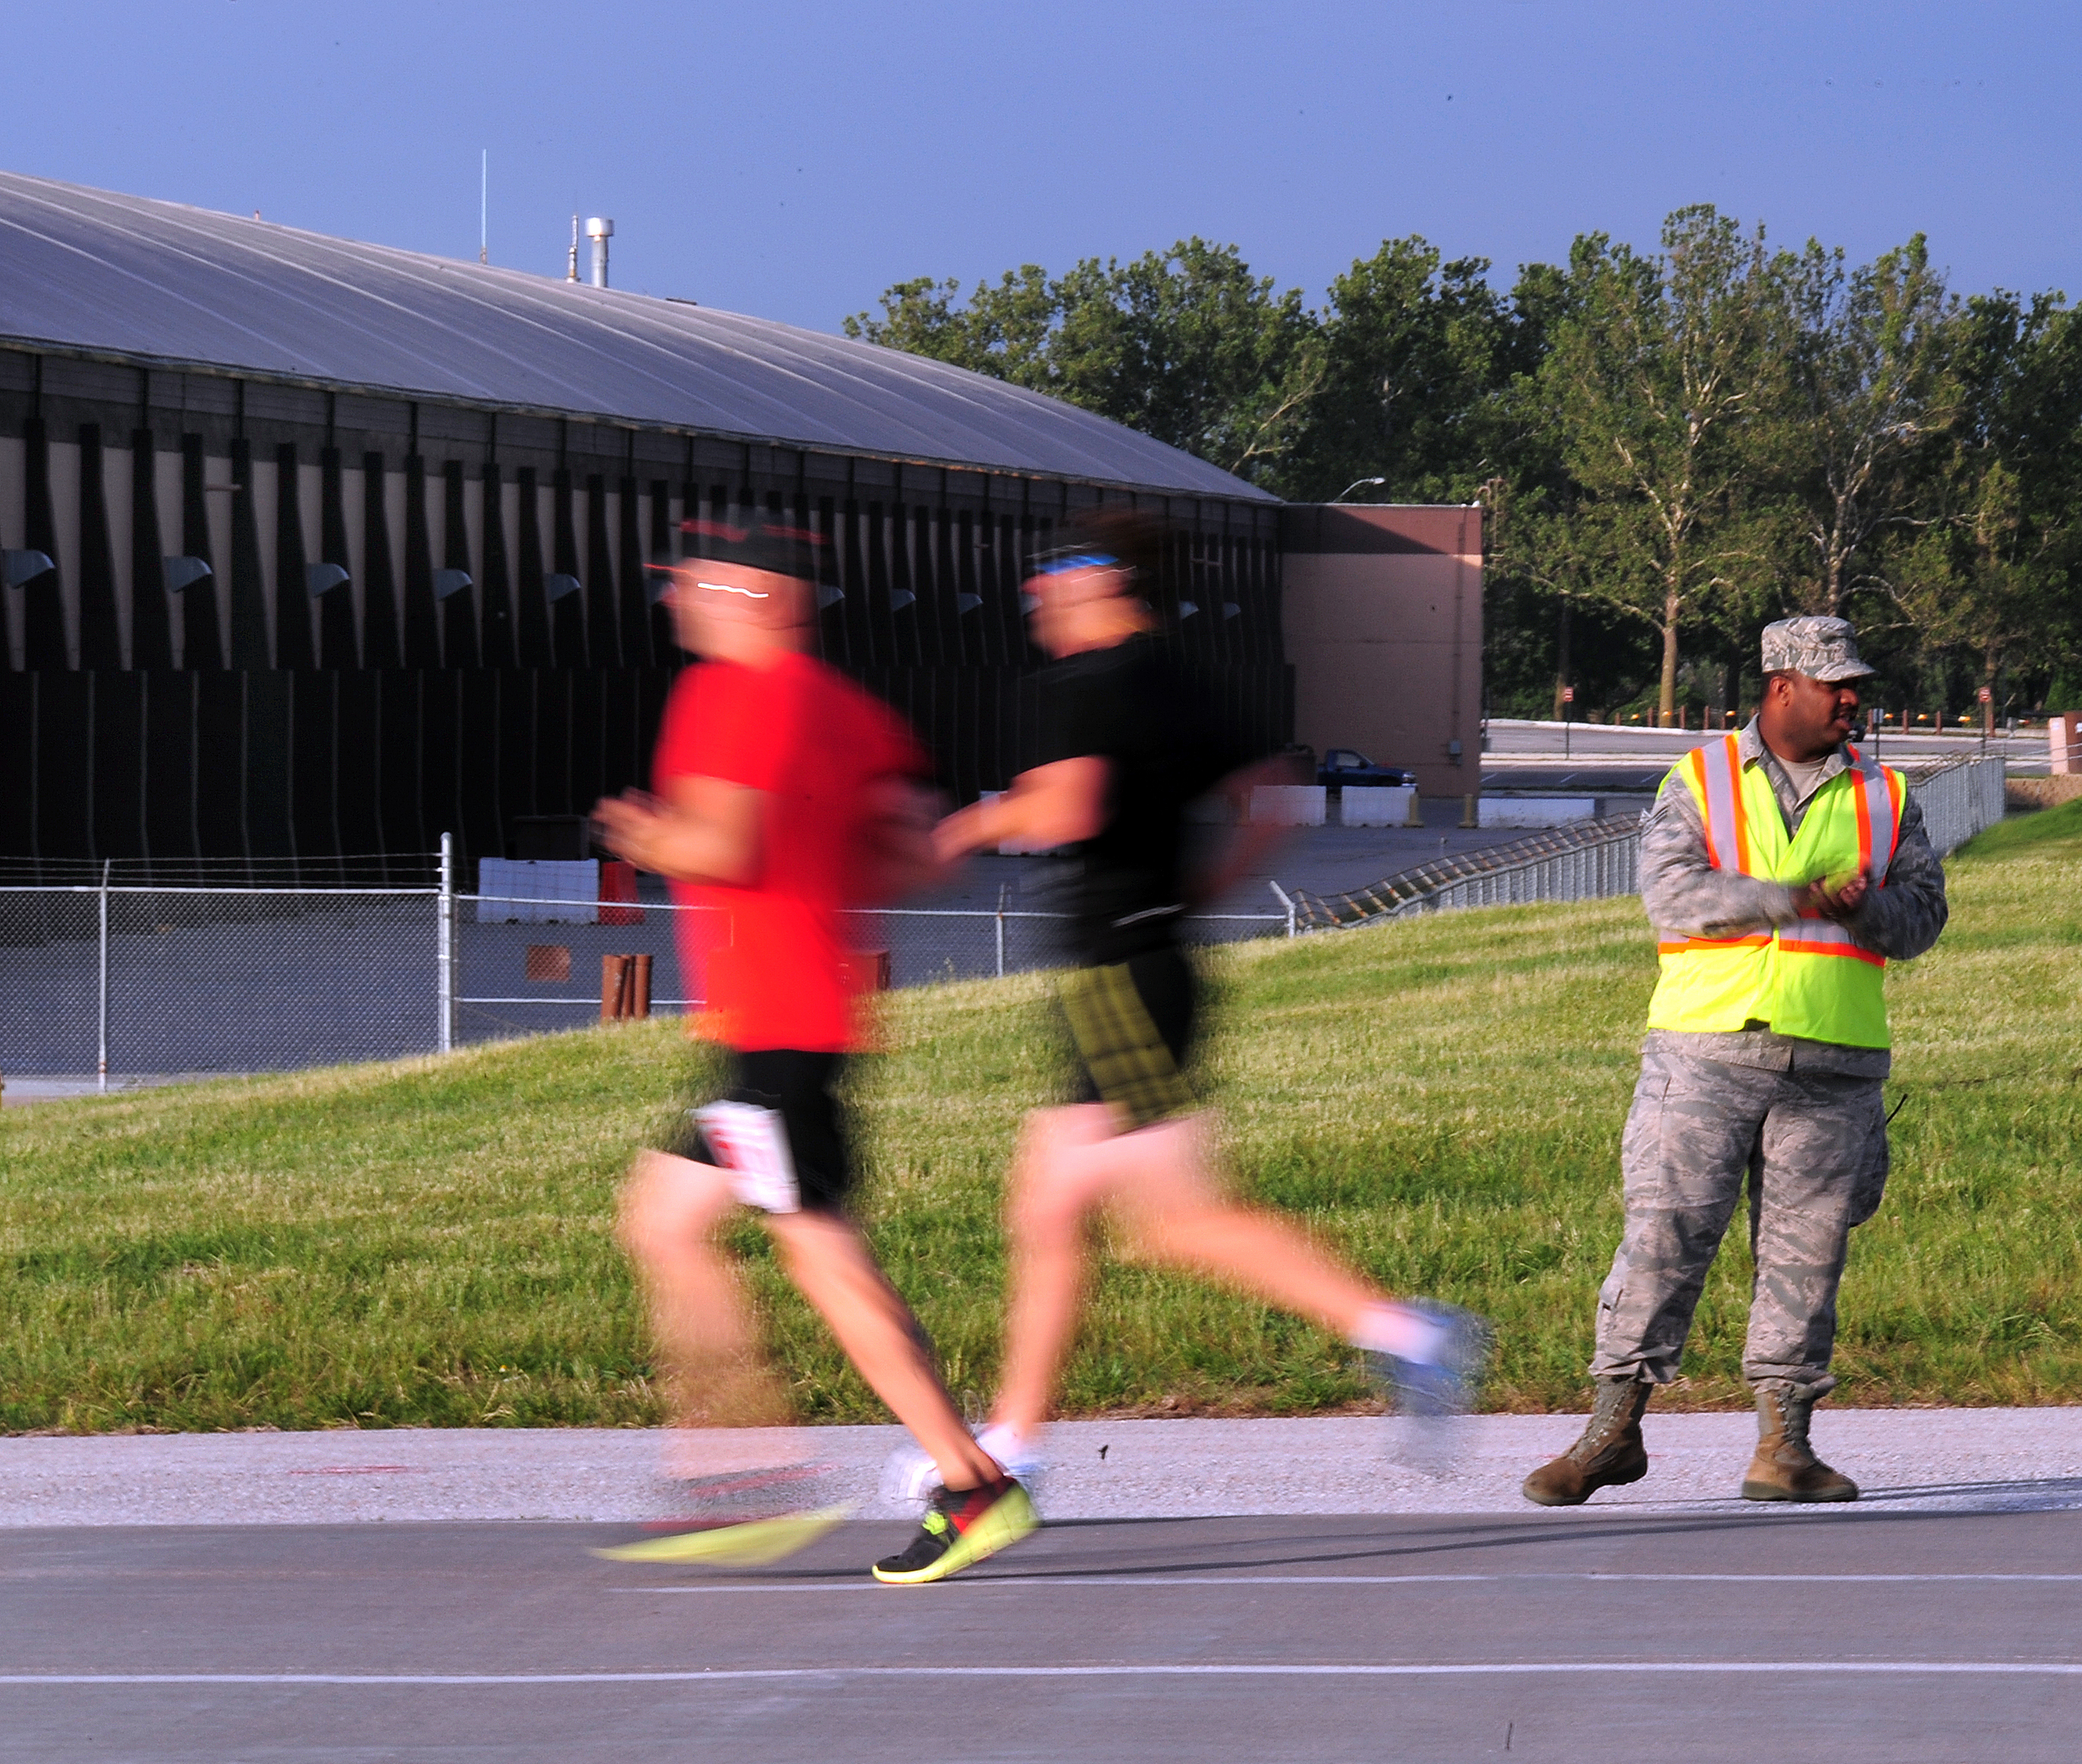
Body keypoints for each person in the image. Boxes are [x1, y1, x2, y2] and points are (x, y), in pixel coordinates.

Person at [923, 509, 1481, 1484]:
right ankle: (1012, 1440)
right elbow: (1271, 789)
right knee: (1051, 1213)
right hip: (1147, 968)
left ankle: (1405, 1331)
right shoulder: (1176, 676)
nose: (1034, 600)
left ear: (1095, 579)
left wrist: (960, 830)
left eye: (1045, 579)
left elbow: (1071, 806)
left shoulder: (1085, 685)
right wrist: (1213, 885)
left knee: (1167, 1219)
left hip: (1117, 977)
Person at [591, 511, 1034, 1584]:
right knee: (749, 1240)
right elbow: (915, 857)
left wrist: (649, 835)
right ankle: (943, 1477)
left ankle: (769, 1473)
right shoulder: (850, 711)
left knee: (755, 1247)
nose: (674, 598)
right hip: (802, 1027)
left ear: (759, 594)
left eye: (693, 580)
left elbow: (726, 846)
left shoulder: (731, 694)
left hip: (775, 1031)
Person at [1522, 616, 1948, 1507]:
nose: (1852, 698)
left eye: (1854, 683)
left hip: (1834, 1062)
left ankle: (1782, 1451)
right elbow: (1672, 897)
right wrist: (1791, 899)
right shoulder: (1701, 779)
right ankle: (1611, 1435)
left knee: (1805, 1260)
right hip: (1706, 1052)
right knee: (1663, 1240)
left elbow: (1922, 921)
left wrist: (1862, 910)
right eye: (1834, 684)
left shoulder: (1886, 793)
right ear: (1779, 686)